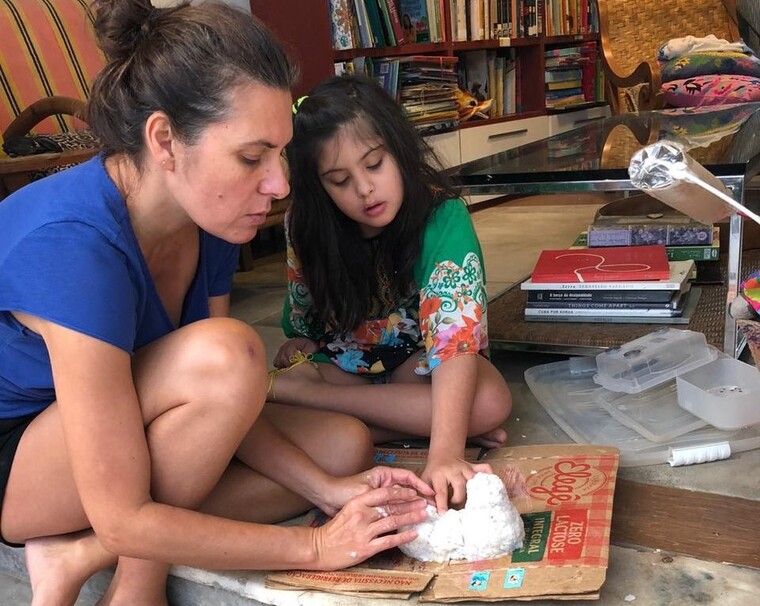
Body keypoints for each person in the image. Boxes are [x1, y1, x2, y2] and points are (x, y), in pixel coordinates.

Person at [0, 2, 432, 605]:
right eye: (252, 158)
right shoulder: (75, 246)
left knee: (341, 448)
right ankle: (135, 581)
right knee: (227, 354)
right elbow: (132, 500)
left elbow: (228, 402)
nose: (280, 184)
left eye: (279, 154)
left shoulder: (209, 217)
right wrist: (315, 548)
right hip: (19, 455)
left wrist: (329, 492)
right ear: (164, 140)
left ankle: (76, 550)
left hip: (124, 423)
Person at [269, 75, 513, 514]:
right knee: (463, 413)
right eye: (339, 180)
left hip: (417, 365)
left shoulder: (443, 215)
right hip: (343, 362)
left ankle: (318, 402)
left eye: (375, 163)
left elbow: (453, 337)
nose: (364, 190)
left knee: (491, 399)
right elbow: (305, 316)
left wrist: (445, 455)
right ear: (319, 187)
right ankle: (410, 419)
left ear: (399, 150)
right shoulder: (305, 226)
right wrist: (301, 342)